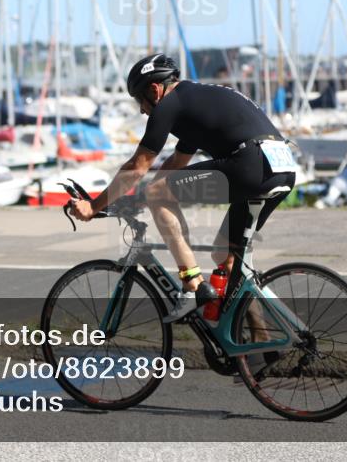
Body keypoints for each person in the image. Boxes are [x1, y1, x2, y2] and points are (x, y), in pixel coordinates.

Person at [68, 53, 296, 322]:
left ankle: (192, 285)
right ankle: (260, 337)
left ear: (154, 89)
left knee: (158, 193)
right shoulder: (195, 101)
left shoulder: (169, 105)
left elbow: (139, 165)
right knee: (226, 256)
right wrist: (144, 198)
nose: (142, 110)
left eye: (140, 100)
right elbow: (177, 162)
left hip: (250, 165)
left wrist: (94, 205)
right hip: (281, 169)